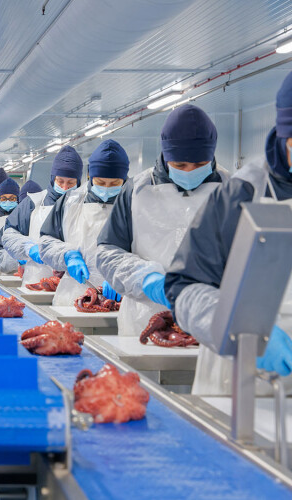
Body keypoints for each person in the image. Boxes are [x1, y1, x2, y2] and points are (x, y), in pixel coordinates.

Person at [165, 77, 292, 395]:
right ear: (284, 136)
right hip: (242, 384)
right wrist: (243, 331)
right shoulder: (242, 193)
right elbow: (184, 289)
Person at [97, 104, 229, 343]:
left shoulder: (233, 189)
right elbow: (108, 252)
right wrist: (147, 279)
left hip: (212, 320)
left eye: (200, 165)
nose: (189, 171)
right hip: (144, 320)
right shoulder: (137, 189)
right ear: (166, 156)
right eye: (180, 165)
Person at [39, 140, 130, 306]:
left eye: (114, 183)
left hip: (123, 298)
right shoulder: (70, 202)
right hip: (72, 298)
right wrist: (66, 255)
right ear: (90, 177)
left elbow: (149, 251)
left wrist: (125, 276)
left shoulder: (134, 204)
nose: (106, 188)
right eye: (100, 182)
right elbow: (46, 242)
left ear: (124, 180)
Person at [1, 146, 84, 285]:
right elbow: (9, 235)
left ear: (79, 182)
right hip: (36, 284)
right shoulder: (34, 202)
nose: (65, 187)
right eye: (60, 181)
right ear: (53, 178)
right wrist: (28, 248)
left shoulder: (85, 204)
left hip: (75, 287)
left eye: (71, 183)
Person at [0, 178, 21, 274]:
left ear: (18, 199)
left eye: (12, 198)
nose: (8, 202)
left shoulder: (22, 220)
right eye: (4, 199)